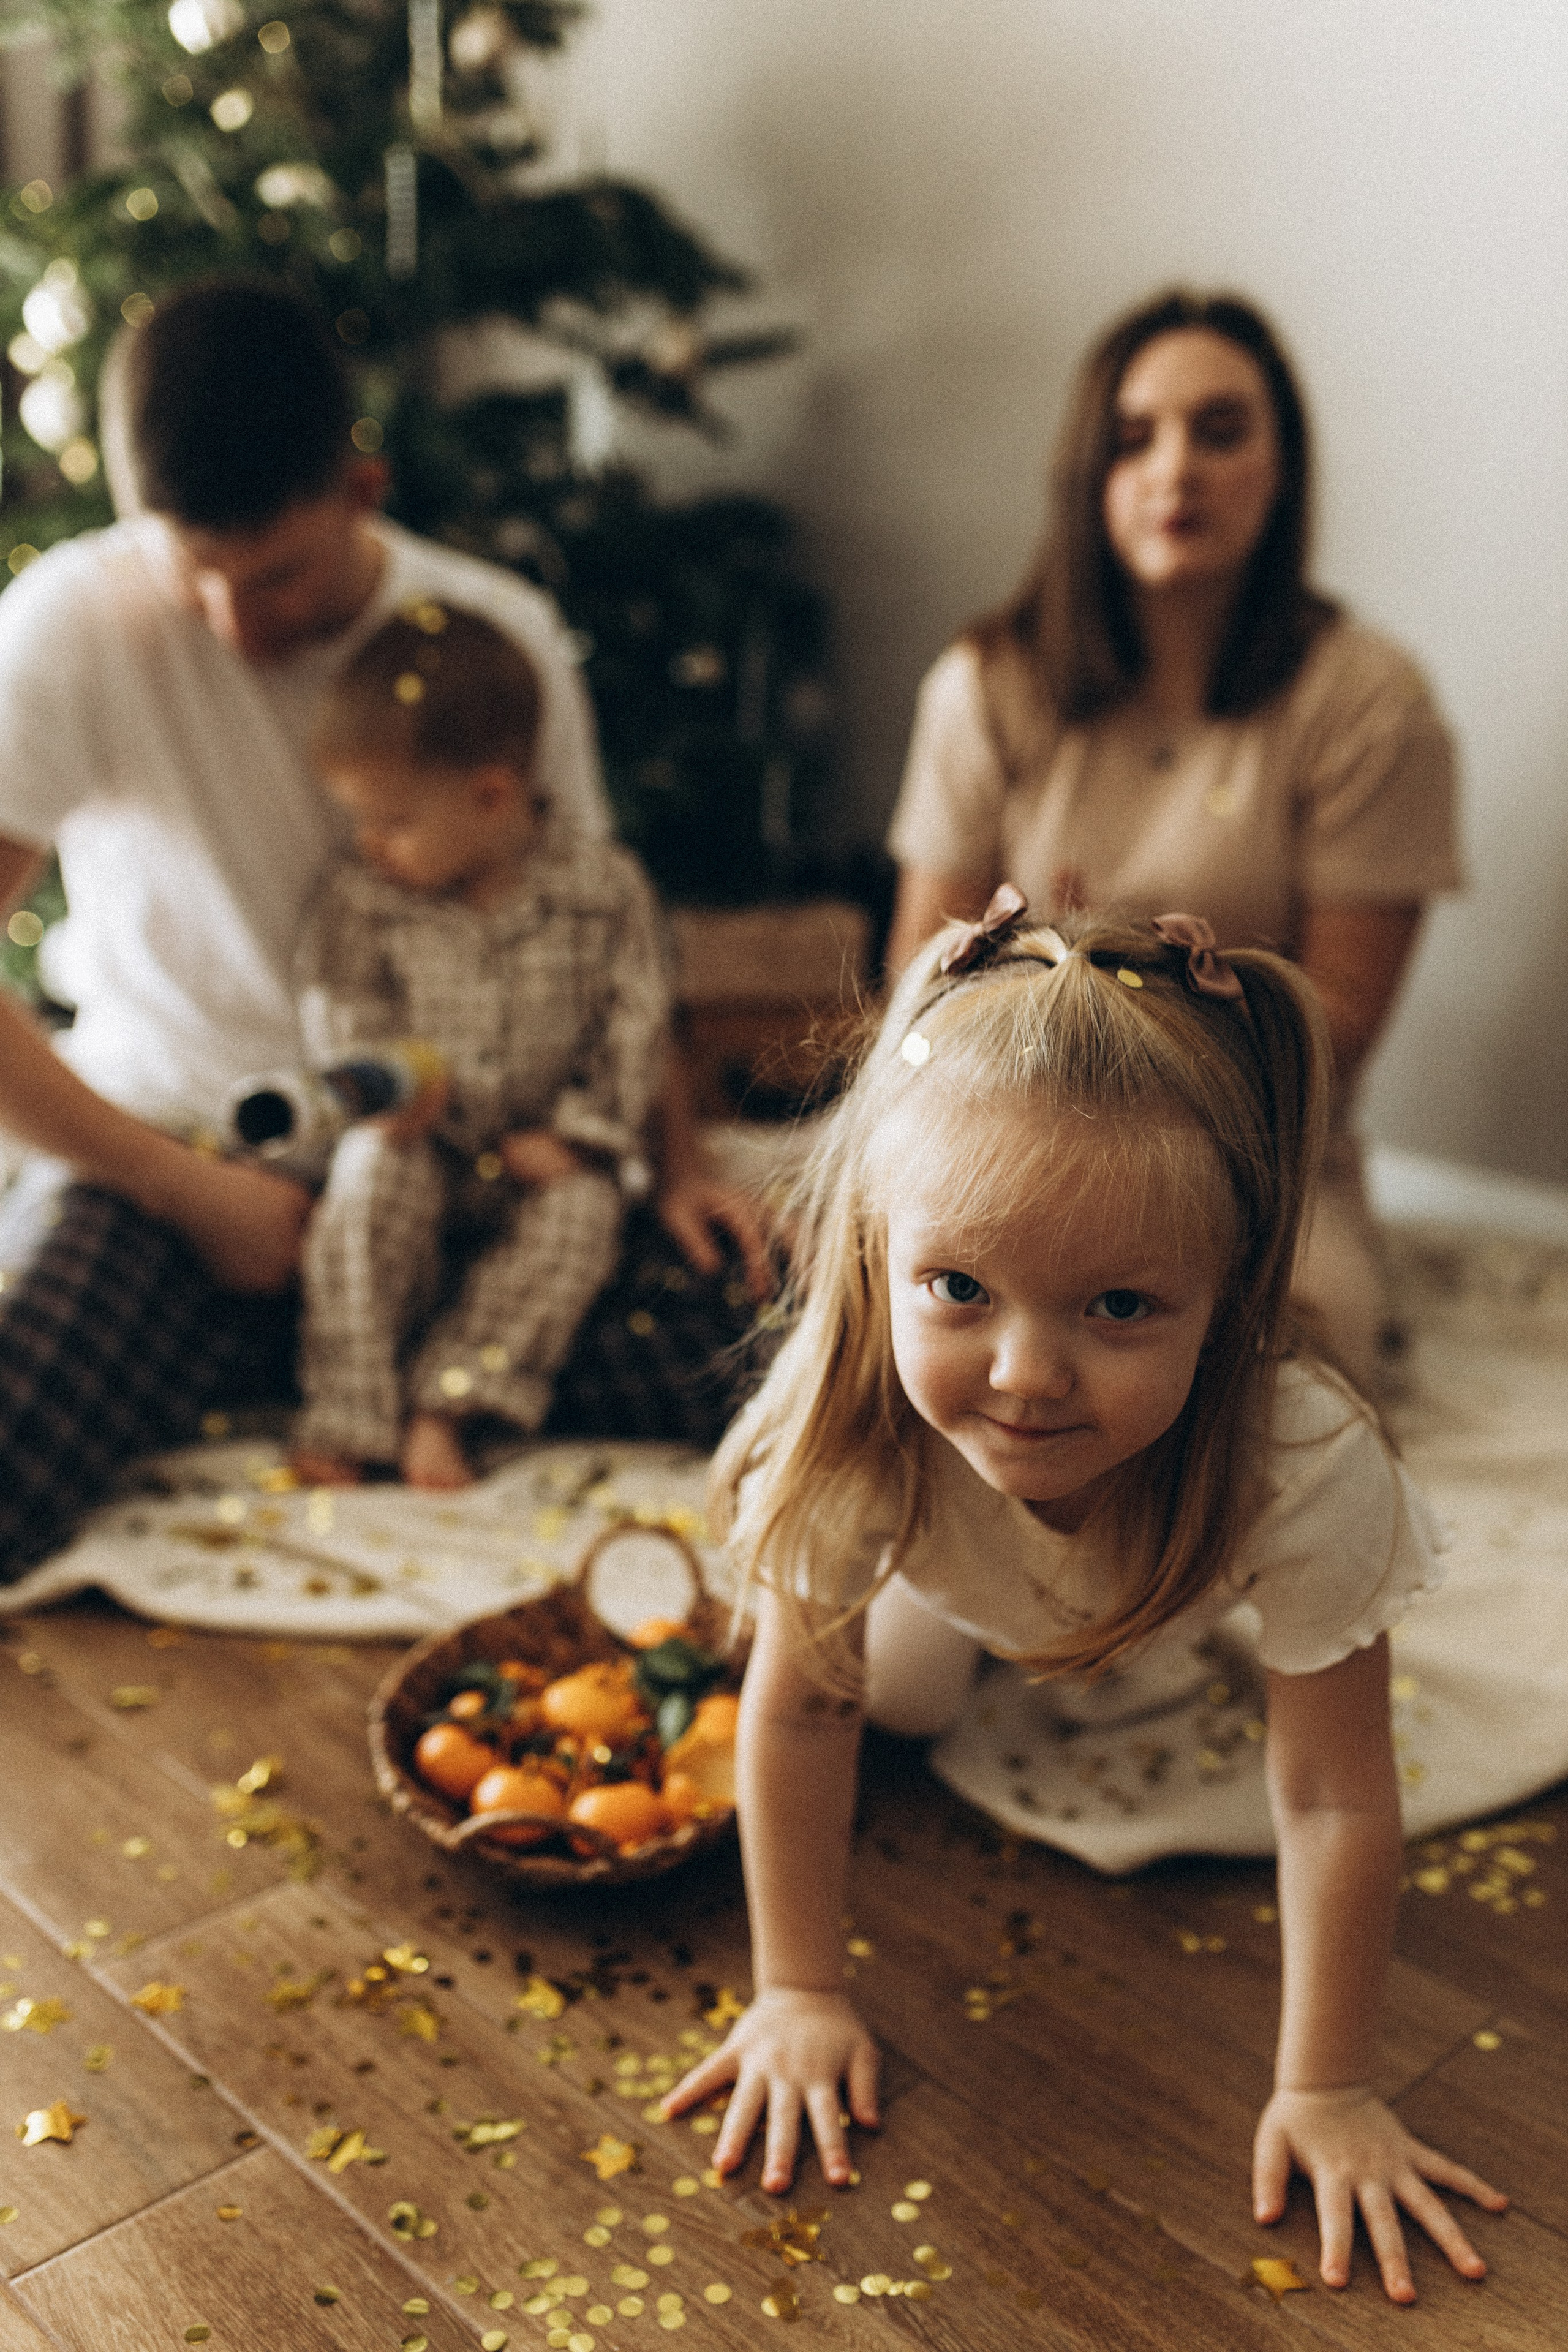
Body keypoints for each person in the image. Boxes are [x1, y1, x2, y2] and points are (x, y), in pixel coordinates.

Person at [664, 896, 1506, 2304]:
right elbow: (805, 1718)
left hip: (1173, 1583)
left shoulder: (1299, 1462)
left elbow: (1331, 1798)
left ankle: (1117, 1621)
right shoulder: (855, 1438)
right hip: (952, 1581)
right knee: (907, 1698)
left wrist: (1330, 2084)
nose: (1023, 1377)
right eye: (959, 1288)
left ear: (1232, 1289)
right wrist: (798, 1991)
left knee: (1144, 1674)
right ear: (876, 1255)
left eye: (1116, 1306)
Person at [0, 276, 765, 1580]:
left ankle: (391, 1381)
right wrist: (190, 1194)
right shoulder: (71, 623)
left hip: (476, 1177)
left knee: (778, 1370)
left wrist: (679, 1166)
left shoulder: (493, 637)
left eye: (279, 574)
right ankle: (286, 1358)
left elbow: (603, 940)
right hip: (180, 1171)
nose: (237, 625)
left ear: (363, 487)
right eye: (194, 574)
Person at [883, 290, 1462, 1389]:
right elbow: (912, 989)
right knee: (875, 1314)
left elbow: (1332, 1035)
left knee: (1280, 1363)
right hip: (1001, 1126)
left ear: (1283, 468)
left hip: (1254, 1154)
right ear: (1087, 475)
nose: (1177, 471)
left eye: (1223, 430)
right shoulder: (984, 682)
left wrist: (1120, 996)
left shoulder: (1371, 700)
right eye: (1136, 439)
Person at [288, 603, 669, 1489]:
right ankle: (350, 1411)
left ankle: (450, 1403)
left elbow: (635, 1022)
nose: (369, 845)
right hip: (421, 1137)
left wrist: (582, 1135)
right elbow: (338, 1004)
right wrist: (381, 1084)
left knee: (586, 1215)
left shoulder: (602, 890)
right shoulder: (362, 896)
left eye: (392, 823)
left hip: (540, 1153)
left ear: (491, 796)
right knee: (367, 1181)